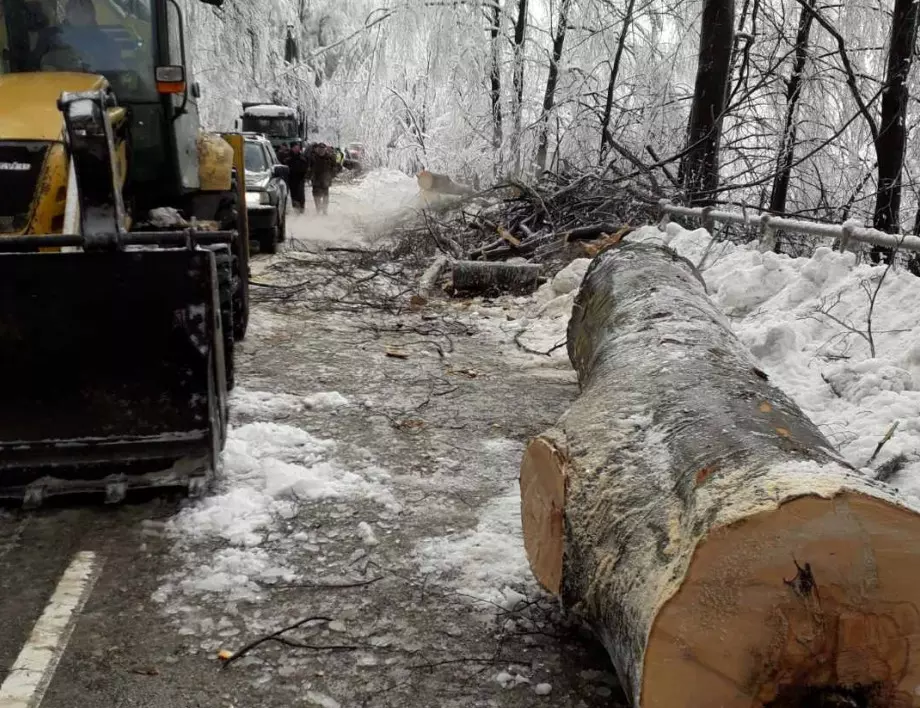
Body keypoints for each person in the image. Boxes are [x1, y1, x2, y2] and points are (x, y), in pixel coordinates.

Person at [307, 142, 338, 216]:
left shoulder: (329, 157)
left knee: (325, 196)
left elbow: (335, 167)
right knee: (316, 195)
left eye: (323, 149)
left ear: (325, 149)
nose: (321, 151)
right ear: (317, 149)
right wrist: (308, 176)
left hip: (325, 180)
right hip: (316, 179)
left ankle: (324, 210)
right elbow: (309, 168)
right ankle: (318, 209)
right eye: (320, 149)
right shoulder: (313, 157)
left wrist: (332, 175)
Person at [284, 141, 309, 213]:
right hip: (291, 178)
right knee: (294, 194)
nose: (297, 149)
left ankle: (301, 208)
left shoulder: (302, 157)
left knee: (301, 194)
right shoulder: (288, 157)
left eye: (297, 147)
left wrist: (305, 174)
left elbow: (306, 165)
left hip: (300, 178)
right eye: (295, 147)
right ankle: (296, 208)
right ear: (292, 148)